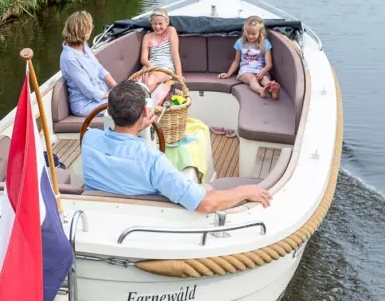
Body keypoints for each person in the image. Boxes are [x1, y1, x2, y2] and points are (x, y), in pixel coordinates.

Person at [82, 81, 272, 213]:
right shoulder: (153, 160)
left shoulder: (89, 140)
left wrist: (139, 123)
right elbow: (206, 205)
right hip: (148, 221)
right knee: (206, 190)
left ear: (108, 110)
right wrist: (246, 191)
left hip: (102, 214)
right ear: (145, 112)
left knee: (204, 187)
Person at [60, 11, 118, 117]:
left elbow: (100, 69)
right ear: (83, 31)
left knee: (131, 96)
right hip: (85, 104)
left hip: (101, 95)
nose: (92, 28)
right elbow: (88, 90)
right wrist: (112, 95)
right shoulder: (69, 58)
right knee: (126, 105)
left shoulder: (84, 46)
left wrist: (117, 87)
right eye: (90, 26)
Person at [218, 15, 281, 100]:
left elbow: (269, 64)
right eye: (248, 33)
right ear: (244, 31)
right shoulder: (240, 42)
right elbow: (236, 61)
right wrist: (228, 73)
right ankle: (261, 90)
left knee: (265, 79)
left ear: (260, 32)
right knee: (252, 79)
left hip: (260, 70)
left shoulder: (265, 43)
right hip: (245, 70)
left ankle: (272, 90)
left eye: (254, 34)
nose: (250, 36)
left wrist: (263, 71)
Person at [139, 8, 182, 93]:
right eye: (155, 24)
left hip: (166, 67)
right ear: (151, 23)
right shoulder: (147, 37)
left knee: (150, 81)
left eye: (160, 23)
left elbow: (175, 53)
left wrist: (179, 75)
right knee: (135, 82)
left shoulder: (170, 31)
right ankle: (167, 92)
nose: (157, 27)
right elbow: (143, 59)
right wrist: (150, 65)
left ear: (167, 23)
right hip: (150, 66)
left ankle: (145, 105)